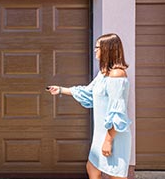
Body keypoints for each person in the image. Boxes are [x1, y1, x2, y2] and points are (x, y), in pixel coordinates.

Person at [47, 33, 132, 179]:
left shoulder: (117, 75)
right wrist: (61, 89)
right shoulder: (103, 74)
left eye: (98, 47)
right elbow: (88, 93)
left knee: (115, 175)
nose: (95, 50)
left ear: (108, 50)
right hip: (101, 134)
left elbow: (118, 112)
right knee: (92, 168)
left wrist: (108, 141)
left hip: (113, 135)